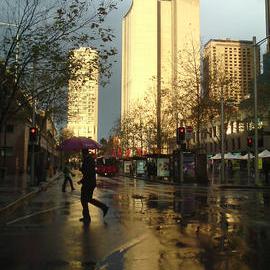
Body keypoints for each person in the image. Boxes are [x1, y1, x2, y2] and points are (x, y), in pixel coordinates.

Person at [78, 149, 109, 224]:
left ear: (83, 153)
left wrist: (81, 170)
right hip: (90, 183)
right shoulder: (89, 159)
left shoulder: (87, 160)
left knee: (84, 200)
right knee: (87, 199)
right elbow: (90, 172)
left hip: (88, 183)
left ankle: (87, 217)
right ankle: (103, 208)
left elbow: (88, 172)